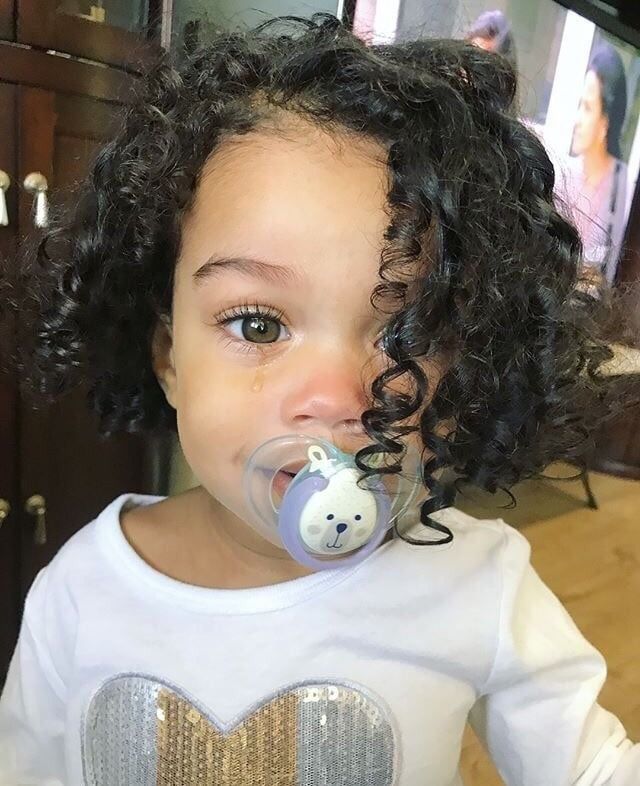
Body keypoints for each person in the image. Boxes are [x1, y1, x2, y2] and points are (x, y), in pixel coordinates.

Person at [0, 13, 638, 785]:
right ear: (168, 357)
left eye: (405, 334)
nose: (335, 398)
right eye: (258, 324)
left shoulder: (479, 584)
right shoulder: (81, 591)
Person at [569, 43, 629, 287]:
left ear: (605, 122)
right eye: (579, 105)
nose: (576, 120)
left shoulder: (623, 188)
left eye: (587, 108)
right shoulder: (566, 175)